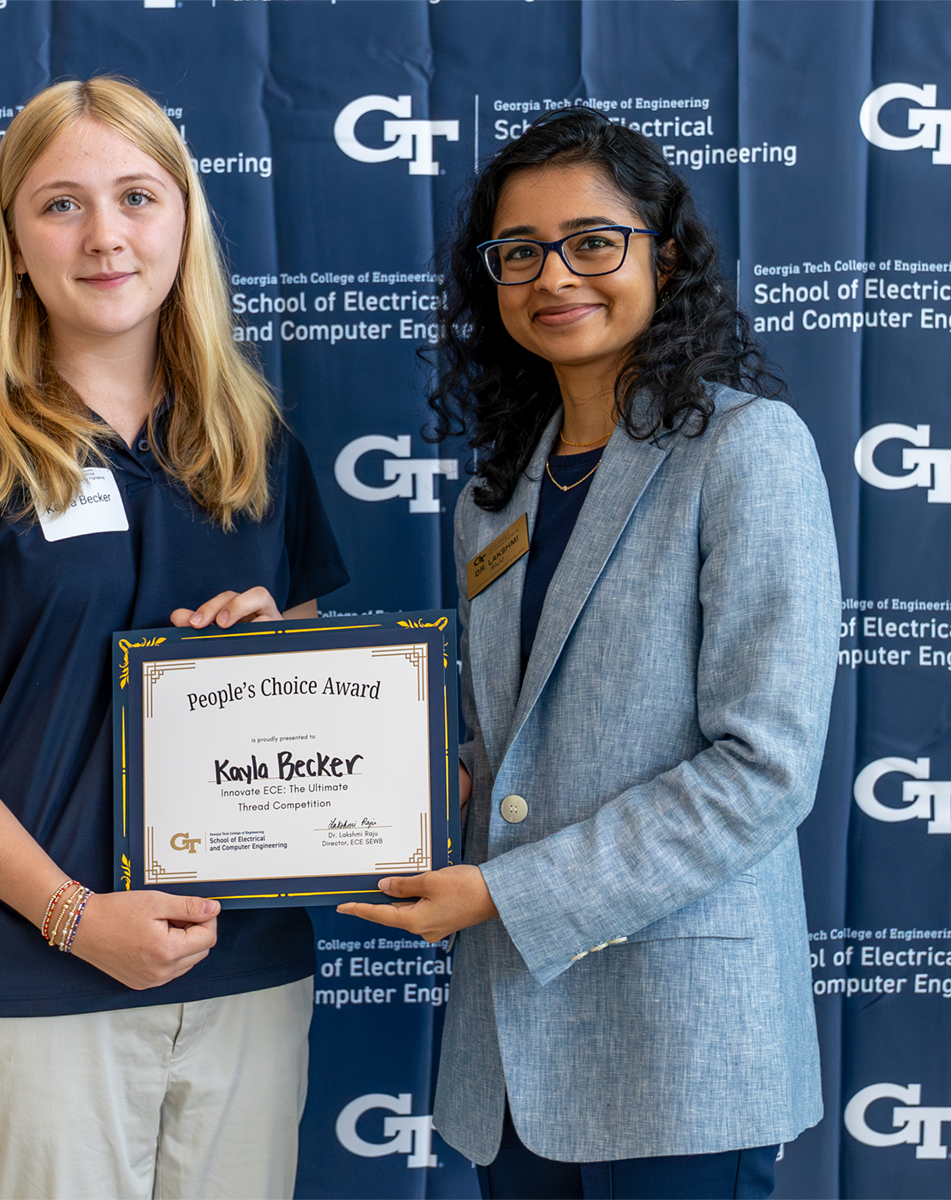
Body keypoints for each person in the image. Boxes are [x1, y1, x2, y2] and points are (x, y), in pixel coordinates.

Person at [0, 77, 348, 1200]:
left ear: (183, 220)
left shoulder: (258, 446)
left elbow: (318, 730)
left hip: (245, 976)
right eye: (62, 204)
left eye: (136, 196)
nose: (106, 236)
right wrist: (75, 920)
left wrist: (270, 657)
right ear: (16, 242)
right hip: (36, 984)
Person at [338, 107, 839, 1199]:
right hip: (510, 1056)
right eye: (519, 252)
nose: (555, 276)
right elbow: (512, 750)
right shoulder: (495, 497)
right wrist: (383, 779)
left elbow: (762, 770)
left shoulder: (746, 450)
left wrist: (503, 896)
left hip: (681, 1044)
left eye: (593, 242)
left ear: (666, 258)